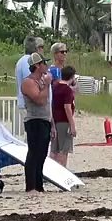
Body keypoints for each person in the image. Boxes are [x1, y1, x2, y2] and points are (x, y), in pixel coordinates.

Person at [20, 56, 52, 192]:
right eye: (44, 63)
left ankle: (39, 185)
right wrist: (47, 84)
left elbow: (48, 103)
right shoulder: (28, 82)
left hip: (45, 120)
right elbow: (40, 100)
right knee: (34, 153)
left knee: (42, 154)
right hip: (34, 121)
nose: (46, 66)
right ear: (38, 65)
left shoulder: (41, 81)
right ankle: (31, 186)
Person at [51, 65, 77, 168]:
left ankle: (51, 171)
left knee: (54, 149)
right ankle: (62, 170)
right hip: (64, 121)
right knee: (63, 150)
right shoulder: (67, 90)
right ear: (72, 77)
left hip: (55, 120)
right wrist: (72, 125)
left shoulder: (54, 87)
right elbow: (67, 107)